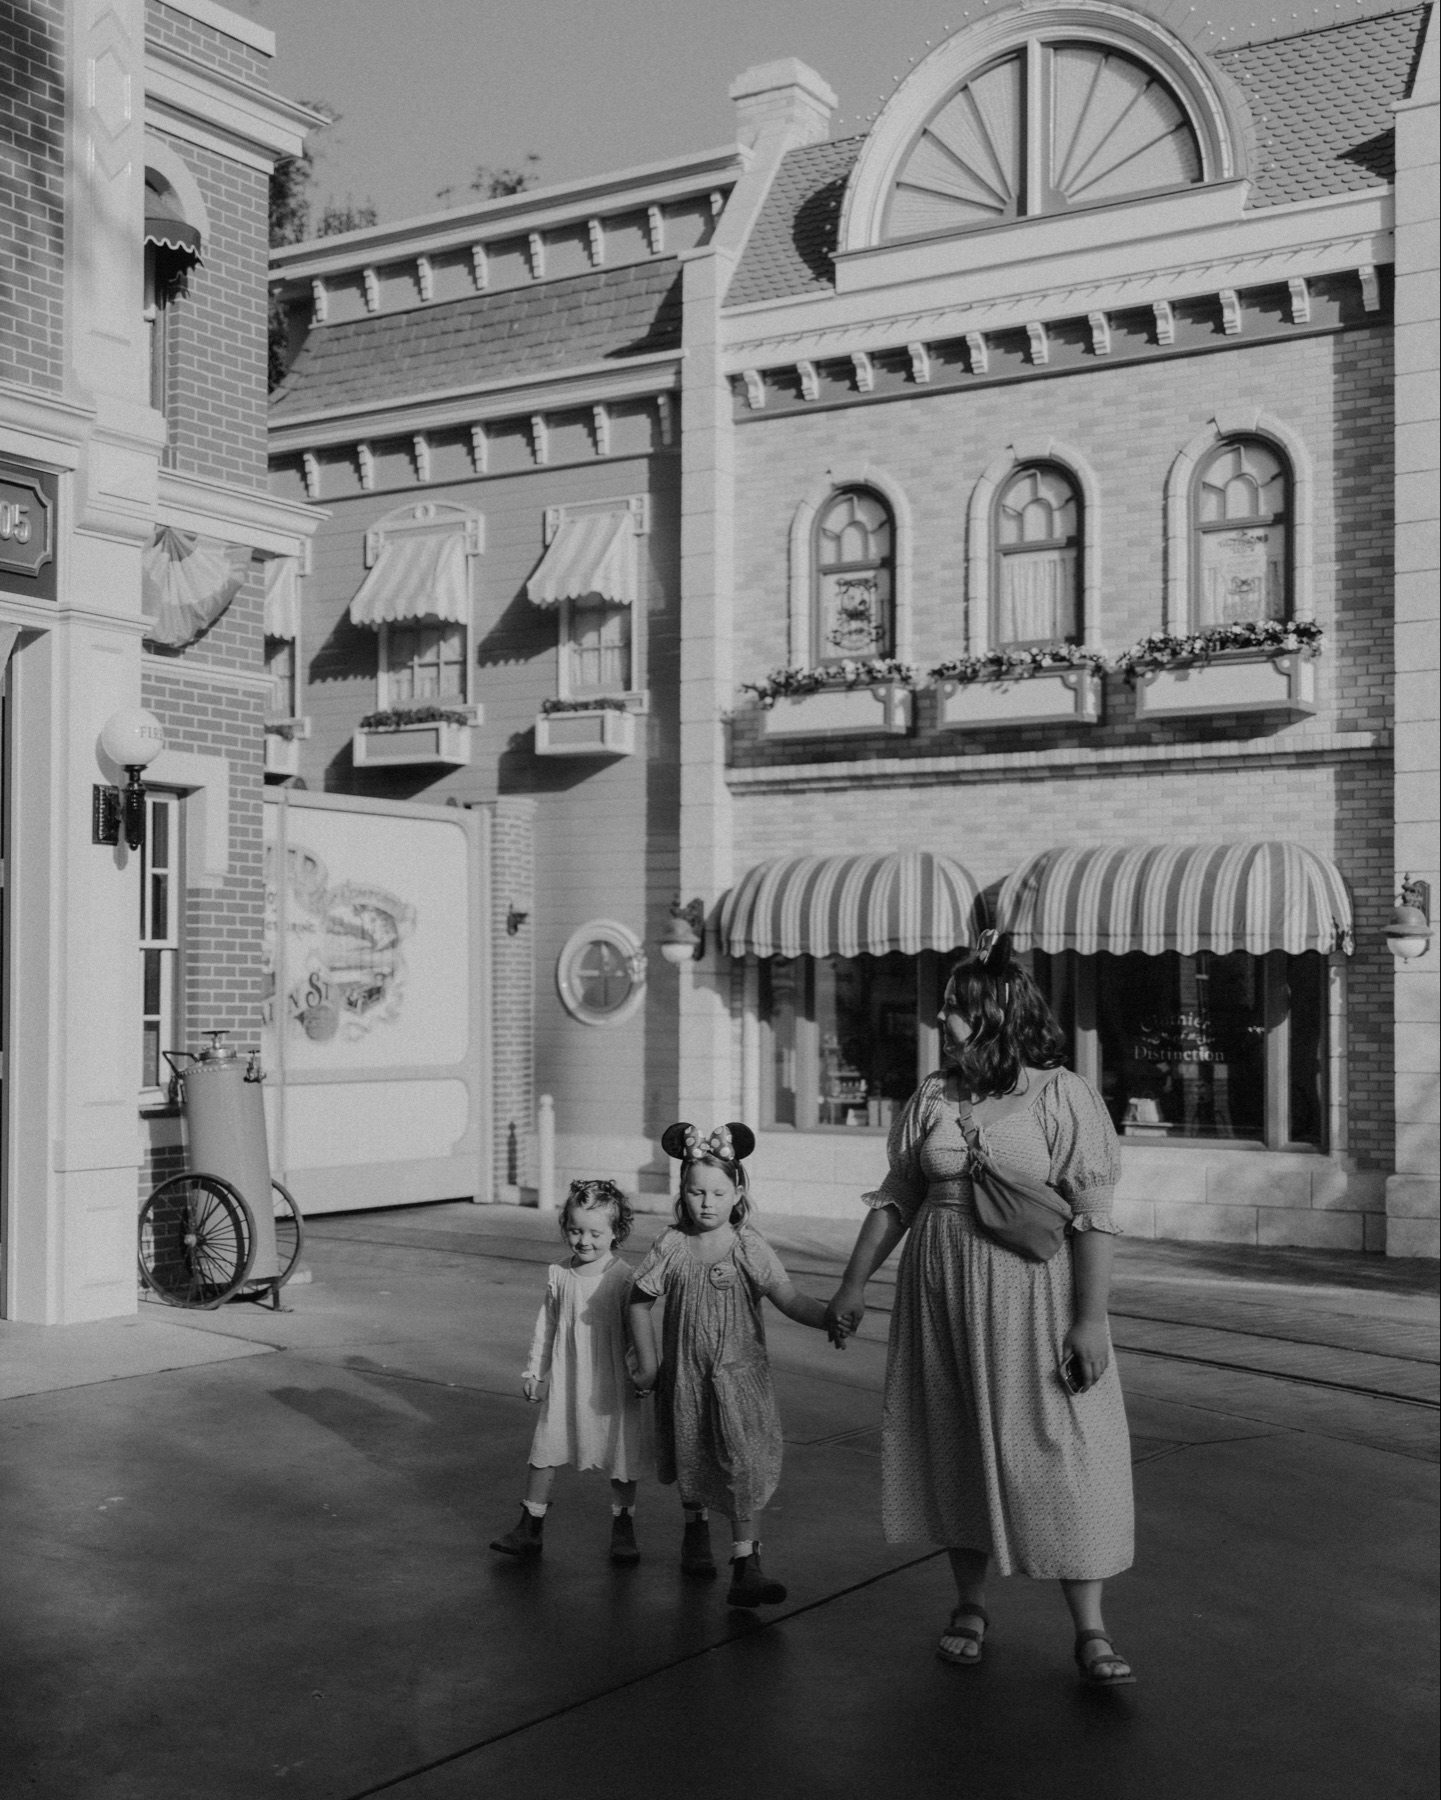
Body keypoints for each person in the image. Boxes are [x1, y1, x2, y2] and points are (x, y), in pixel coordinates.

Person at [827, 932, 1137, 1687]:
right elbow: (898, 1196)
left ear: (994, 1014)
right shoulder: (932, 1096)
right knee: (955, 1441)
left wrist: (1089, 1319)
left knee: (1062, 1447)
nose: (941, 1018)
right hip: (940, 1298)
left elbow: (1092, 1212)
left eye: (955, 1007)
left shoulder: (1062, 1095)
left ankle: (1090, 1628)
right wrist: (852, 1284)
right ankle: (969, 1605)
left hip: (1033, 1300)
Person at [628, 1123, 831, 1608]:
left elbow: (788, 1297)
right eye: (696, 1192)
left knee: (744, 1465)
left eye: (718, 1193)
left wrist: (828, 1318)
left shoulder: (748, 1246)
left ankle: (746, 1564)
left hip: (740, 1381)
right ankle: (695, 1532)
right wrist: (650, 1366)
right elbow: (638, 1302)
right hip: (686, 1379)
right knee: (692, 1454)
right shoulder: (672, 1245)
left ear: (738, 1193)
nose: (707, 1203)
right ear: (682, 1192)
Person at [490, 1178, 651, 1565]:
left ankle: (623, 1527)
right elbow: (547, 1325)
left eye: (596, 1233)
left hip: (612, 1380)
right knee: (545, 1446)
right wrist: (535, 1370)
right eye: (576, 1230)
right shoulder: (559, 1274)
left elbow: (636, 1331)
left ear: (616, 1232)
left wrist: (642, 1374)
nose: (584, 1241)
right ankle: (530, 1525)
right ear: (566, 1228)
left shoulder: (623, 1277)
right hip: (567, 1377)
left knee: (620, 1454)